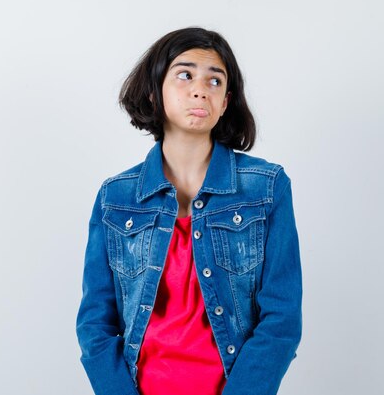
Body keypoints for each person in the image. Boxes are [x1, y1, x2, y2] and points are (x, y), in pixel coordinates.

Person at [76, 27, 302, 395]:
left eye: (215, 81)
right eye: (185, 75)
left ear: (226, 102)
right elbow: (94, 325)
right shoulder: (115, 197)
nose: (200, 89)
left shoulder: (266, 188)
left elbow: (282, 319)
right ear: (154, 92)